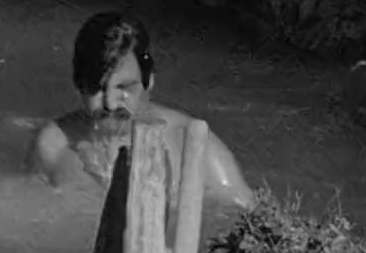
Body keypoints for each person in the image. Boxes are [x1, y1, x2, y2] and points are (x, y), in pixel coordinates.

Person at [30, 12, 256, 218]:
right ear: (78, 87)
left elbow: (244, 214)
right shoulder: (53, 144)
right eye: (96, 89)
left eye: (124, 88)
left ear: (149, 82)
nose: (110, 103)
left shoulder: (194, 144)